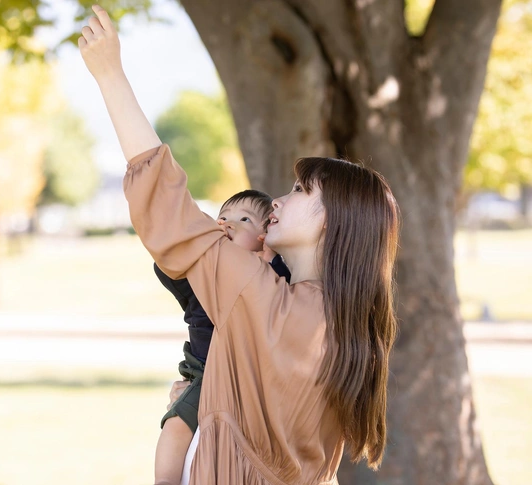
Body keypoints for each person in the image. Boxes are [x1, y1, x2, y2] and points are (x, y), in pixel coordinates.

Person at [79, 6, 400, 484]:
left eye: (299, 193)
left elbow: (170, 208)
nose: (279, 202)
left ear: (329, 223)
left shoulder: (261, 295)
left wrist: (109, 74)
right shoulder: (353, 331)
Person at [155, 189, 291, 485]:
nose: (228, 224)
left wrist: (269, 257)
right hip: (205, 372)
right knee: (178, 422)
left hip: (248, 377)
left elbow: (283, 285)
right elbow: (168, 270)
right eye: (223, 218)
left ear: (263, 236)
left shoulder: (274, 276)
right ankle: (165, 480)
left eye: (244, 219)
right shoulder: (205, 274)